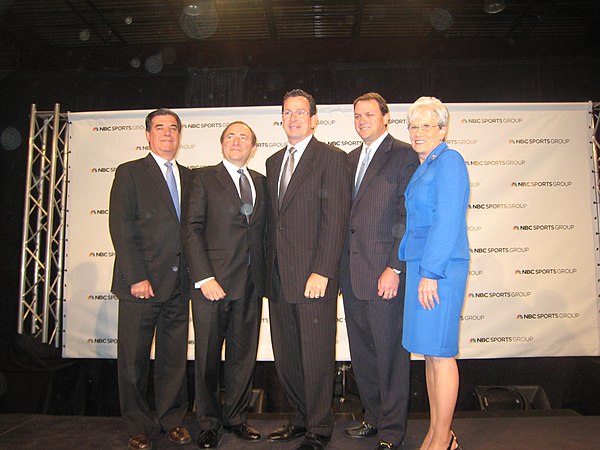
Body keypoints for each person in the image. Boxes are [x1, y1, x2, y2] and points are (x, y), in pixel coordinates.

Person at [265, 89, 351, 450]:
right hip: (279, 277)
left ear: (314, 119)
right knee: (287, 356)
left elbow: (336, 220)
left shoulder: (332, 158)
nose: (294, 118)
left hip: (313, 277)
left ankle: (319, 427)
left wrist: (323, 270)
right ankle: (299, 419)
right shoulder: (272, 163)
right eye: (287, 113)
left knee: (316, 355)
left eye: (301, 112)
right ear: (281, 119)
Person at [109, 108, 192, 450]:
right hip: (141, 285)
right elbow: (121, 228)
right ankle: (138, 425)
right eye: (160, 128)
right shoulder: (130, 173)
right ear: (147, 135)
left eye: (173, 128)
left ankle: (172, 420)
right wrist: (137, 277)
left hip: (178, 286)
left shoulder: (190, 176)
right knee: (134, 360)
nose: (168, 134)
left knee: (173, 359)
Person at [340, 92, 419, 450]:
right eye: (357, 115)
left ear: (386, 118)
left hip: (384, 273)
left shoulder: (402, 154)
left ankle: (392, 430)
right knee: (364, 354)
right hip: (352, 275)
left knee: (390, 356)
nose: (362, 120)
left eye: (369, 114)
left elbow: (407, 216)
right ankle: (372, 417)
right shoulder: (350, 159)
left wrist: (394, 267)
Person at [181, 121, 267, 449]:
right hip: (212, 286)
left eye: (244, 137)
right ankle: (208, 423)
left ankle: (236, 419)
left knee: (242, 358)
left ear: (252, 147)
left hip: (250, 285)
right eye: (230, 136)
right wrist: (204, 277)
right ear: (221, 144)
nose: (237, 141)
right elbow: (191, 229)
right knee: (207, 357)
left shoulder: (261, 182)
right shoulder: (202, 178)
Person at [398, 97, 470, 450]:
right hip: (422, 266)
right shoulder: (424, 165)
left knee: (441, 353)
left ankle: (443, 439)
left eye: (427, 125)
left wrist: (430, 272)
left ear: (443, 129)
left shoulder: (450, 161)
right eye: (413, 126)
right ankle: (435, 432)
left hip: (438, 270)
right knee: (429, 353)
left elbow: (447, 221)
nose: (418, 132)